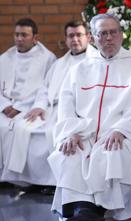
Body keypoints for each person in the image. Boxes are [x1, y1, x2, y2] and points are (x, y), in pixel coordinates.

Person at [48, 14, 131, 221]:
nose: (108, 38)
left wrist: (122, 130)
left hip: (124, 135)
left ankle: (90, 214)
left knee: (112, 155)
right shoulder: (80, 68)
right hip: (84, 133)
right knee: (70, 153)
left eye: (113, 33)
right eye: (103, 34)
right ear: (93, 38)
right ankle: (82, 211)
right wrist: (71, 132)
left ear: (121, 35)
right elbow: (66, 103)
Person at [1, 20, 94, 189]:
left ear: (88, 37)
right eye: (71, 36)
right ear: (65, 40)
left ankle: (56, 182)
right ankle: (31, 180)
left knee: (52, 132)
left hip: (80, 112)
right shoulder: (60, 64)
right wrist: (39, 106)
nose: (75, 40)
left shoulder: (96, 62)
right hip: (53, 109)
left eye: (79, 35)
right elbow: (45, 88)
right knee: (24, 127)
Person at [0, 18, 56, 187]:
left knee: (22, 128)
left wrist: (20, 108)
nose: (19, 39)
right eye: (17, 34)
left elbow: (47, 88)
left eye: (24, 35)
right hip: (6, 107)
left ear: (35, 37)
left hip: (32, 108)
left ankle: (24, 179)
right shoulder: (5, 58)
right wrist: (4, 106)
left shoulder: (48, 58)